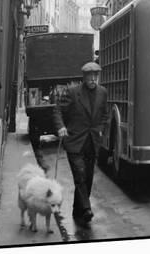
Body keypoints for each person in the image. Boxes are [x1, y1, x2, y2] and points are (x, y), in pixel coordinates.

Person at [53, 61, 108, 225]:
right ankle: (86, 208)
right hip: (75, 141)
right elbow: (57, 110)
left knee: (88, 177)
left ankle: (77, 211)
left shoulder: (103, 92)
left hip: (92, 141)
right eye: (90, 76)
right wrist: (61, 126)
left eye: (95, 76)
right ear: (84, 77)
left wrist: (101, 128)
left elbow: (105, 115)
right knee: (80, 175)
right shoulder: (72, 92)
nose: (93, 79)